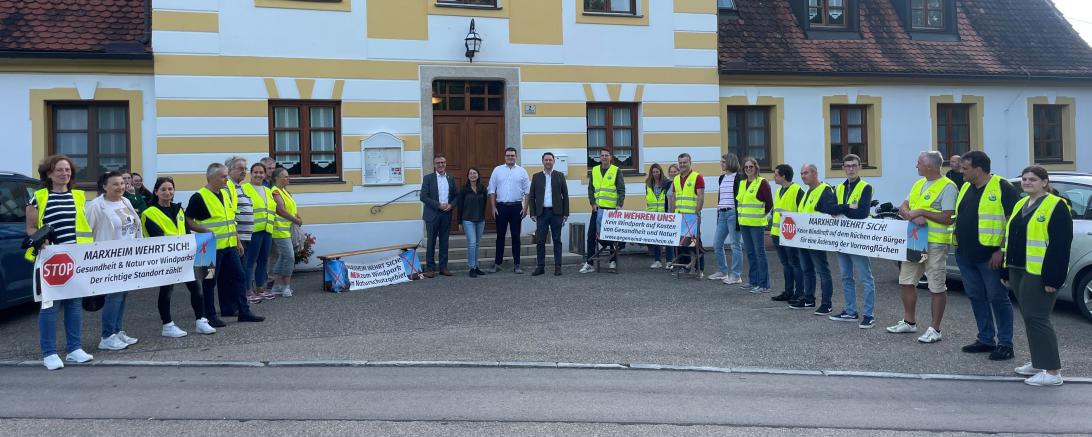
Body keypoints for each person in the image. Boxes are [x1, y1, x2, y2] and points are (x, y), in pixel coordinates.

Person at [1002, 166, 1072, 386]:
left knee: (1038, 319)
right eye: (1024, 179)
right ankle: (1038, 361)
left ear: (1044, 182)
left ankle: (1052, 372)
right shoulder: (1020, 204)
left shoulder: (1057, 206)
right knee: (1029, 318)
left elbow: (1061, 245)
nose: (1027, 182)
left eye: (1033, 179)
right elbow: (1010, 238)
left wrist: (1053, 278)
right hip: (1018, 269)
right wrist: (1005, 269)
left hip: (1039, 273)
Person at [25, 155, 95, 370]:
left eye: (67, 170)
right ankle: (49, 352)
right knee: (50, 306)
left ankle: (74, 348)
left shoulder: (79, 196)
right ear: (48, 174)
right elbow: (31, 228)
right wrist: (40, 240)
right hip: (51, 260)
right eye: (59, 170)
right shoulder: (38, 197)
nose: (65, 174)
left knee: (74, 305)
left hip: (75, 257)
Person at [952, 151, 1019, 360]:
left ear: (978, 170)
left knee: (998, 298)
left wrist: (1002, 250)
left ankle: (1005, 344)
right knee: (976, 297)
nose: (961, 171)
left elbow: (1013, 222)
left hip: (989, 257)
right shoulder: (966, 187)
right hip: (965, 254)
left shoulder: (1002, 187)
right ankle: (985, 339)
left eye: (965, 168)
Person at [887, 151, 957, 343]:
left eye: (919, 163)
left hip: (935, 242)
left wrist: (922, 213)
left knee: (936, 285)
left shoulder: (948, 187)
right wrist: (911, 214)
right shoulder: (919, 183)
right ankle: (909, 322)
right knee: (906, 280)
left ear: (930, 166)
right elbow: (903, 207)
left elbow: (949, 217)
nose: (916, 166)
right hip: (916, 240)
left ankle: (935, 329)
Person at [187, 163, 264, 323]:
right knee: (209, 282)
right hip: (206, 246)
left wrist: (238, 242)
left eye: (227, 176)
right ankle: (210, 316)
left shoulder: (225, 194)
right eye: (223, 176)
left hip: (229, 246)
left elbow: (230, 220)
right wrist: (205, 231)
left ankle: (244, 312)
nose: (226, 179)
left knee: (240, 277)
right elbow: (188, 221)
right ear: (211, 178)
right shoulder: (198, 196)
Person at [142, 177, 217, 337]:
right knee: (166, 291)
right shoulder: (149, 213)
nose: (167, 192)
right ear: (156, 192)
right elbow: (156, 237)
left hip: (183, 258)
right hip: (164, 260)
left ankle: (201, 321)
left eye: (170, 189)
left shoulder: (179, 210)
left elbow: (186, 233)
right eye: (163, 189)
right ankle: (167, 325)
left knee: (196, 289)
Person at [86, 171, 141, 351]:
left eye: (122, 183)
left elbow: (135, 227)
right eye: (115, 184)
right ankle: (107, 336)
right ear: (104, 186)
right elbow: (88, 233)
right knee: (114, 296)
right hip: (109, 259)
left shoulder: (126, 201)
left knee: (122, 295)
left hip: (129, 257)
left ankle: (117, 331)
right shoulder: (96, 206)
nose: (121, 187)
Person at [827, 154, 878, 328]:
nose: (850, 169)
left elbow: (862, 213)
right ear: (843, 168)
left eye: (854, 165)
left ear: (859, 167)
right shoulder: (839, 188)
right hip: (841, 238)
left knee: (865, 277)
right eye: (847, 166)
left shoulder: (866, 187)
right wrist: (848, 207)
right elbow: (830, 208)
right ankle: (850, 311)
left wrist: (841, 209)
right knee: (846, 277)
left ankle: (869, 314)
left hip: (858, 239)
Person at [789, 164, 837, 312]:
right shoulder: (807, 191)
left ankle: (826, 303)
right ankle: (809, 299)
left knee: (822, 270)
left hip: (817, 239)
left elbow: (830, 213)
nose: (803, 176)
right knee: (807, 269)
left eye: (806, 173)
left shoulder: (825, 190)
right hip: (804, 238)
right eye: (801, 173)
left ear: (815, 173)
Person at [579, 149, 626, 273]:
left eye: (606, 155)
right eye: (602, 156)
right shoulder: (594, 170)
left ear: (610, 157)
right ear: (599, 158)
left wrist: (619, 205)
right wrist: (592, 203)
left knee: (611, 237)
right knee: (591, 236)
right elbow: (591, 189)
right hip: (597, 209)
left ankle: (612, 261)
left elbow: (621, 190)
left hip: (611, 210)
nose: (604, 157)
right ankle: (589, 263)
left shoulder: (616, 170)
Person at [488, 147, 531, 274]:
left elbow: (527, 192)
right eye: (508, 155)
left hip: (516, 207)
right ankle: (497, 263)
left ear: (516, 157)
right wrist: (493, 207)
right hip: (501, 207)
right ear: (504, 157)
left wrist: (525, 208)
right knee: (500, 236)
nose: (510, 157)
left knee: (516, 236)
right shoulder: (497, 170)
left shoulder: (522, 171)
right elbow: (491, 190)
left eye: (512, 155)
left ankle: (517, 264)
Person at [736, 157, 773, 293]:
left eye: (751, 167)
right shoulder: (742, 183)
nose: (748, 169)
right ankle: (753, 281)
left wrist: (760, 215)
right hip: (744, 223)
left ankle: (764, 284)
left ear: (756, 168)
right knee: (750, 253)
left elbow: (769, 203)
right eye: (746, 167)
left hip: (756, 224)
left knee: (760, 253)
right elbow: (740, 204)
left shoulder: (762, 183)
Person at [529, 152, 569, 276]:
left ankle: (558, 266)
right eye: (546, 160)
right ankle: (540, 266)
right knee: (540, 241)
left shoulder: (560, 176)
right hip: (542, 213)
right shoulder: (536, 177)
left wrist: (565, 213)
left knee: (557, 240)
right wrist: (533, 213)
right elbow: (532, 196)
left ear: (553, 161)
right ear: (542, 161)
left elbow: (565, 196)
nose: (548, 162)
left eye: (550, 160)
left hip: (556, 213)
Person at [224, 157, 258, 303]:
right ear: (230, 170)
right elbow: (230, 214)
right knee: (238, 272)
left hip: (246, 236)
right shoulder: (229, 187)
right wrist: (237, 238)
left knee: (243, 269)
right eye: (240, 168)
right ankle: (240, 300)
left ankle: (242, 298)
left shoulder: (239, 186)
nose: (244, 171)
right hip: (238, 237)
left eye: (245, 168)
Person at [769, 164, 804, 304]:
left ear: (783, 176)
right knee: (785, 264)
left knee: (795, 264)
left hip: (791, 235)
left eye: (776, 174)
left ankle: (799, 293)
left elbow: (802, 214)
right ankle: (788, 291)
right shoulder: (778, 191)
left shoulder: (797, 191)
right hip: (777, 233)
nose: (774, 177)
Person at [668, 153, 704, 277]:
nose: (682, 165)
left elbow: (700, 197)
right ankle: (684, 267)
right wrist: (672, 214)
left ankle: (700, 269)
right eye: (680, 163)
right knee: (682, 244)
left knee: (696, 244)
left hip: (691, 217)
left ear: (690, 162)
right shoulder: (676, 179)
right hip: (679, 216)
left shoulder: (697, 177)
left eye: (685, 162)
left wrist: (696, 213)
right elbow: (673, 197)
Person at [242, 163, 274, 302]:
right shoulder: (245, 189)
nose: (258, 175)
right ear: (251, 173)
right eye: (255, 172)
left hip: (267, 230)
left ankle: (260, 288)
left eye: (261, 172)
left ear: (265, 174)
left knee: (263, 261)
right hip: (253, 231)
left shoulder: (267, 190)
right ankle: (247, 291)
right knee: (250, 261)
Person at [710, 154, 745, 284]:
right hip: (722, 213)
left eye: (723, 162)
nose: (721, 164)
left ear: (730, 162)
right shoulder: (721, 178)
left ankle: (736, 275)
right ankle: (722, 271)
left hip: (732, 213)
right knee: (717, 244)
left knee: (735, 245)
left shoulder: (739, 177)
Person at [421, 155, 456, 278]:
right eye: (438, 163)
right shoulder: (428, 178)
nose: (441, 165)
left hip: (446, 215)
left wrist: (451, 205)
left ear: (446, 164)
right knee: (431, 242)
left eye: (443, 162)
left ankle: (443, 267)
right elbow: (423, 197)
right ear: (434, 165)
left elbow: (456, 196)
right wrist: (438, 205)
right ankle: (430, 268)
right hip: (432, 215)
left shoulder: (451, 179)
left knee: (444, 242)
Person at [270, 167, 302, 298]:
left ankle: (277, 285)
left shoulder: (285, 191)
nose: (288, 179)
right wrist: (296, 219)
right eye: (285, 176)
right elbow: (281, 210)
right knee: (289, 256)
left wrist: (298, 217)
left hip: (288, 229)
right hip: (279, 229)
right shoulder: (275, 191)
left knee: (284, 257)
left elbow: (292, 208)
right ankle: (285, 286)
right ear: (277, 178)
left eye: (288, 176)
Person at [457, 168, 488, 277]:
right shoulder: (464, 190)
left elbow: (484, 204)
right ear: (468, 176)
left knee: (477, 244)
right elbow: (459, 206)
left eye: (474, 173)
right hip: (468, 219)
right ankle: (471, 268)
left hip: (480, 220)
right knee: (472, 243)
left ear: (478, 175)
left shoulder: (482, 189)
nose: (472, 175)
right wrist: (459, 222)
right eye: (470, 173)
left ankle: (476, 266)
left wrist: (483, 217)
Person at [644, 163, 672, 268]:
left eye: (657, 172)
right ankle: (657, 261)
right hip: (653, 215)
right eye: (653, 172)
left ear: (660, 172)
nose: (655, 174)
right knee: (655, 239)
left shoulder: (667, 183)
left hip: (664, 214)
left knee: (668, 239)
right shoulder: (648, 184)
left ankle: (669, 261)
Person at [664, 164, 680, 268]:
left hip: (678, 214)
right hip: (669, 215)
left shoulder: (679, 183)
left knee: (679, 240)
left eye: (675, 171)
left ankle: (678, 261)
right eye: (671, 171)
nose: (672, 173)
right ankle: (671, 261)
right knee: (670, 240)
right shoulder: (668, 184)